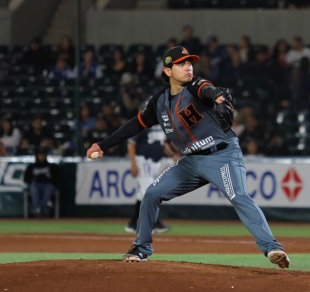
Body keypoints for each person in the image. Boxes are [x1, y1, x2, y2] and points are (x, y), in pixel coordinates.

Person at [86, 46, 290, 268]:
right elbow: (136, 124)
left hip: (221, 154)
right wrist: (103, 144)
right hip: (190, 162)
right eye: (181, 63)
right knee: (152, 193)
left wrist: (217, 96)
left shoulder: (195, 86)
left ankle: (272, 247)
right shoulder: (160, 101)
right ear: (167, 71)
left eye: (190, 63)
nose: (188, 67)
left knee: (238, 196)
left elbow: (207, 89)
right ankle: (141, 247)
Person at [125, 123, 178, 234]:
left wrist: (173, 155)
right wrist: (133, 164)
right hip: (142, 160)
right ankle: (154, 224)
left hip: (155, 162)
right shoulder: (143, 123)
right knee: (150, 191)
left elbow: (163, 146)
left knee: (142, 194)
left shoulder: (163, 124)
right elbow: (131, 144)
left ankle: (132, 224)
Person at [23, 148, 59, 216]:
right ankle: (41, 207)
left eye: (43, 155)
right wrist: (30, 182)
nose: (41, 157)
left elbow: (56, 178)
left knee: (48, 189)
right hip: (35, 184)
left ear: (45, 156)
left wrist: (53, 182)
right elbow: (26, 178)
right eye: (40, 155)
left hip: (47, 184)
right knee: (34, 189)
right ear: (36, 156)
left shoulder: (51, 166)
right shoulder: (31, 166)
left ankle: (40, 207)